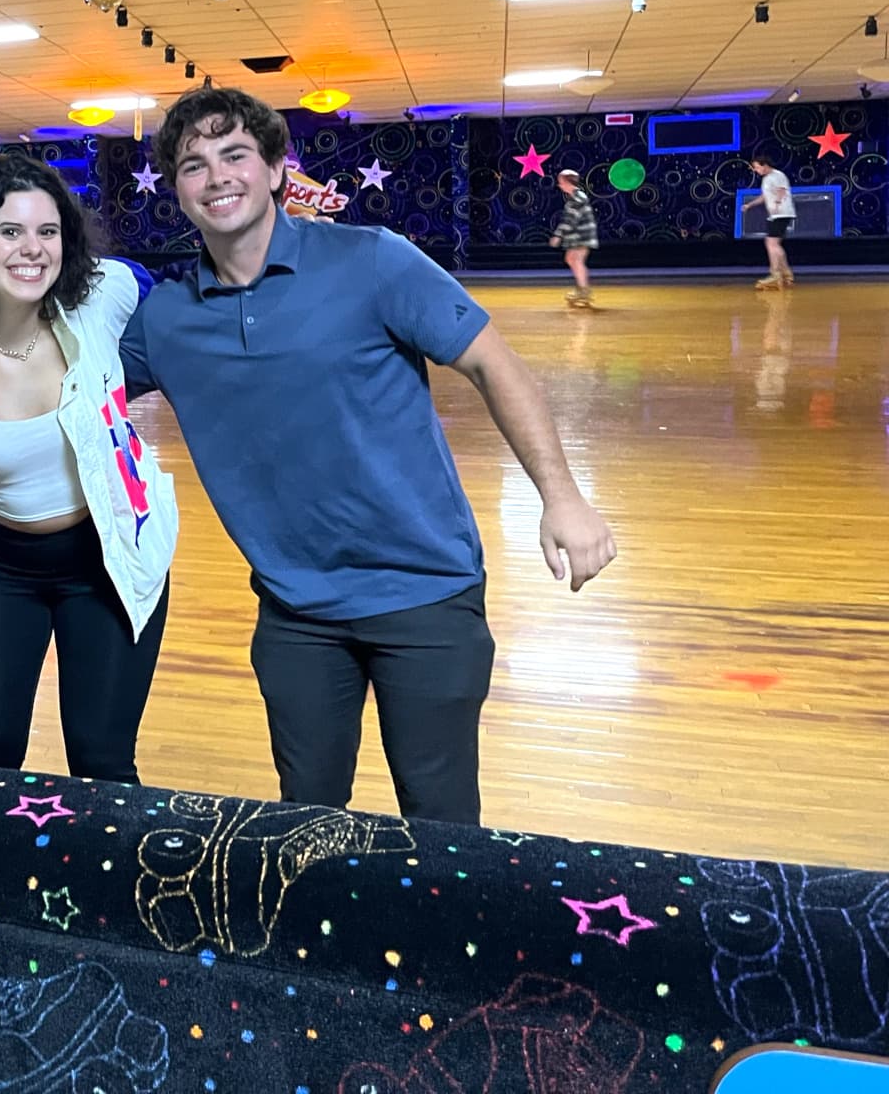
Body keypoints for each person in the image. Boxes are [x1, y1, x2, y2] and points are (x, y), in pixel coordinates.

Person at [120, 86, 617, 825]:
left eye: (235, 155)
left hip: (426, 596)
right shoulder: (165, 320)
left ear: (277, 170)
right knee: (308, 819)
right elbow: (63, 392)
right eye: (194, 165)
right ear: (178, 192)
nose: (217, 176)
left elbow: (495, 365)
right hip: (295, 612)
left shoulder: (372, 260)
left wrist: (562, 496)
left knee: (441, 820)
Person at [0, 154, 178, 785]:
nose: (32, 249)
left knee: (100, 756)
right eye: (9, 231)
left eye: (48, 232)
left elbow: (149, 283)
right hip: (2, 568)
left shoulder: (100, 301)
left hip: (110, 557)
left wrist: (136, 382)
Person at [741, 151, 796, 290]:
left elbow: (782, 191)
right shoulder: (766, 179)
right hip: (775, 215)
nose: (756, 170)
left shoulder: (777, 175)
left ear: (764, 165)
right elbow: (764, 196)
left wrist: (777, 203)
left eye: (757, 167)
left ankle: (776, 274)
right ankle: (786, 273)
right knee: (774, 243)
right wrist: (750, 205)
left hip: (781, 213)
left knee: (771, 243)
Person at [549, 169, 599, 308]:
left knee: (575, 259)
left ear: (568, 182)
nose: (560, 186)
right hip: (579, 235)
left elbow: (570, 220)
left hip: (582, 235)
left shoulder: (577, 198)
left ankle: (584, 291)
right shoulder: (575, 197)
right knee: (571, 259)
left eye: (561, 183)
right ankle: (581, 288)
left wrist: (558, 236)